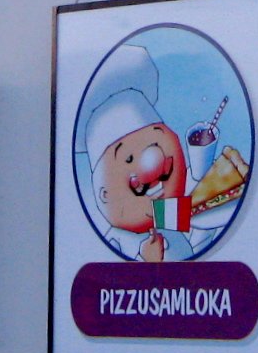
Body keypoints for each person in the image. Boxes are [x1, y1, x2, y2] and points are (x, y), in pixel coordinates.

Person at [75, 43, 234, 262]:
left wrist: (205, 184)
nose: (154, 161)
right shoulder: (116, 241)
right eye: (128, 159)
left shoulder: (168, 215)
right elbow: (106, 286)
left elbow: (201, 237)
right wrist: (147, 263)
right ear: (104, 194)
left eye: (157, 141)